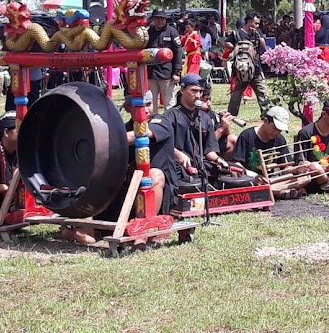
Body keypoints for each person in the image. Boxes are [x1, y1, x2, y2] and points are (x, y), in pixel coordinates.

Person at [61, 93, 184, 244]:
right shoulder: (124, 129)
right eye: (140, 106)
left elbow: (141, 135)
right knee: (94, 178)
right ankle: (86, 231)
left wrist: (101, 140)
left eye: (148, 104)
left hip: (157, 190)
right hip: (127, 188)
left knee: (153, 175)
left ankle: (146, 229)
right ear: (127, 108)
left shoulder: (161, 121)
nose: (146, 110)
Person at [164, 74, 230, 183]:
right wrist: (178, 154)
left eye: (200, 91)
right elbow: (164, 145)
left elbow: (209, 150)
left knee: (232, 174)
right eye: (194, 91)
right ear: (182, 90)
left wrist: (218, 160)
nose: (198, 95)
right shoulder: (170, 116)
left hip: (201, 166)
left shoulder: (204, 118)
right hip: (178, 167)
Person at [232, 106, 308, 200]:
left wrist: (297, 169)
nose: (276, 132)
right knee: (249, 183)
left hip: (272, 180)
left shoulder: (280, 139)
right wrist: (253, 176)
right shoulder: (246, 136)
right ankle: (276, 192)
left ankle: (269, 191)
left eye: (280, 130)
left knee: (305, 178)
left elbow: (285, 167)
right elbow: (236, 164)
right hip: (252, 179)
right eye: (275, 128)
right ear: (266, 121)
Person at [294, 97, 329, 193]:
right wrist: (322, 167)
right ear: (324, 114)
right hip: (316, 176)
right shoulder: (305, 133)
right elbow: (301, 163)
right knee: (315, 167)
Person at [224, 12, 269, 117]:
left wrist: (257, 34)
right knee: (236, 94)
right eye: (255, 23)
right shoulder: (237, 33)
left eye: (258, 24)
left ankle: (266, 114)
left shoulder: (257, 33)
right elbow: (226, 43)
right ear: (249, 21)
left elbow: (263, 45)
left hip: (255, 68)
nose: (257, 25)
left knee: (262, 92)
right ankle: (231, 115)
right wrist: (236, 48)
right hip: (241, 69)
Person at [146, 9, 183, 112]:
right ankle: (154, 122)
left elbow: (178, 52)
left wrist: (177, 72)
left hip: (166, 73)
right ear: (153, 19)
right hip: (151, 72)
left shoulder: (172, 32)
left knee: (169, 102)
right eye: (157, 18)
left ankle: (170, 123)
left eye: (162, 19)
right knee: (151, 101)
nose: (160, 21)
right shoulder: (148, 32)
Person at [199, 81, 238, 160]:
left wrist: (224, 125)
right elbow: (205, 145)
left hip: (212, 147)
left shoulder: (210, 113)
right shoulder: (195, 117)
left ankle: (225, 167)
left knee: (233, 139)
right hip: (201, 151)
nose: (209, 103)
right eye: (205, 100)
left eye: (209, 99)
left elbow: (225, 136)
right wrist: (221, 129)